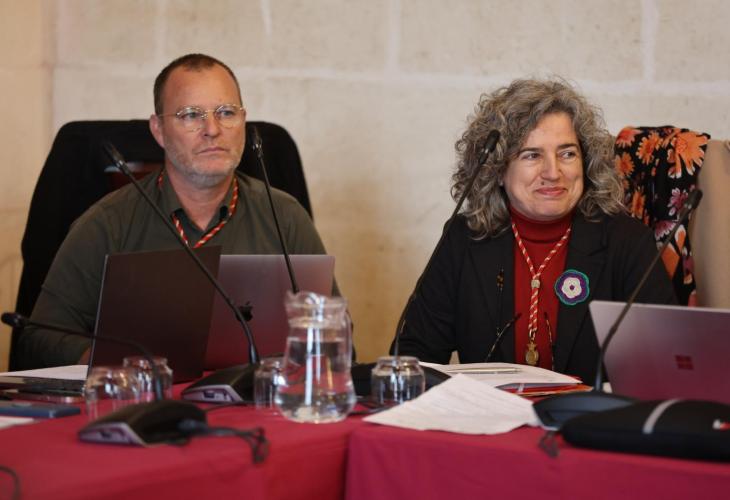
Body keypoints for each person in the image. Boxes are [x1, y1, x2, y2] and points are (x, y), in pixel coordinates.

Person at [17, 53, 331, 369]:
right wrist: (119, 367)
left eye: (226, 112)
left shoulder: (285, 216)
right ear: (159, 130)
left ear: (243, 122)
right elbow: (41, 336)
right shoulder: (108, 222)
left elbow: (332, 328)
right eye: (191, 115)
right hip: (145, 395)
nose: (212, 129)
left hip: (255, 394)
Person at [394, 78, 676, 383]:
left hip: (588, 413)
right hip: (490, 412)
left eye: (567, 153)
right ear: (497, 171)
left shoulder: (626, 241)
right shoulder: (465, 237)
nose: (553, 172)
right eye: (532, 155)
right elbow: (414, 354)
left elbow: (667, 361)